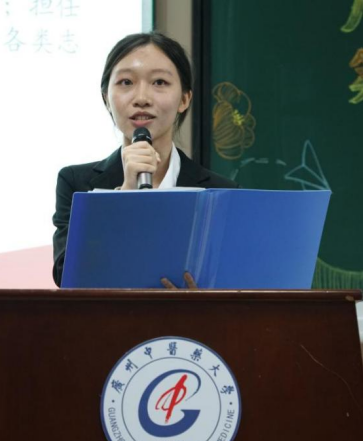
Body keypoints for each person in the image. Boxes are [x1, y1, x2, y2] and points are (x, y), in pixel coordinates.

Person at [52, 32, 238, 287]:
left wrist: (203, 299)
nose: (141, 98)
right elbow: (65, 275)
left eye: (159, 82)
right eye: (126, 82)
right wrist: (125, 194)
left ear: (184, 99)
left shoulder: (222, 191)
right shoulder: (76, 182)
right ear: (106, 98)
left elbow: (232, 278)